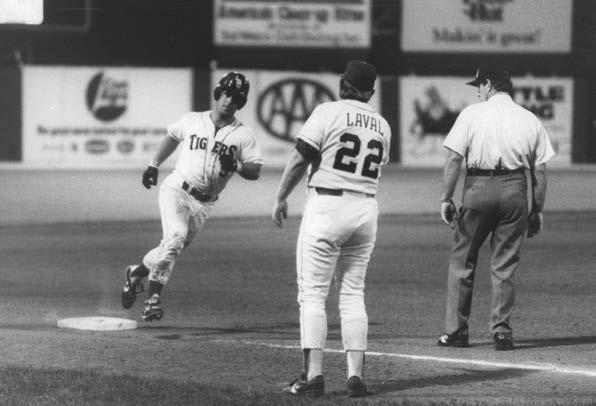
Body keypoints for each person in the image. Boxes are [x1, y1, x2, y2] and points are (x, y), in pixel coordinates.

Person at [272, 60, 392, 397]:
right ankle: (356, 377)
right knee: (353, 294)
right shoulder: (383, 125)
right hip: (366, 209)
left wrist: (281, 196)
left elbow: (301, 157)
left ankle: (313, 377)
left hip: (327, 206)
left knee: (312, 294)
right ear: (370, 91)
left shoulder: (328, 112)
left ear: (343, 86)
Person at [121, 72, 263, 322]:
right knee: (175, 238)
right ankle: (153, 299)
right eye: (227, 94)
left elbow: (255, 170)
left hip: (204, 203)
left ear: (241, 102)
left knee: (169, 248)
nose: (230, 100)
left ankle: (135, 274)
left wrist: (238, 166)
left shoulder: (244, 135)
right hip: (177, 189)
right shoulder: (193, 120)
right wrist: (153, 165)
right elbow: (172, 136)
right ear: (218, 93)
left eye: (236, 97)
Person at [437, 67, 555, 350]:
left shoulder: (472, 114)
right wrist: (537, 209)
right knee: (505, 263)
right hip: (515, 190)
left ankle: (457, 332)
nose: (478, 91)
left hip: (479, 189)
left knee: (463, 260)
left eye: (479, 85)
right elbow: (539, 170)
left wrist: (446, 198)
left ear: (489, 84)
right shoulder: (529, 118)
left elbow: (454, 159)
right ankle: (502, 331)